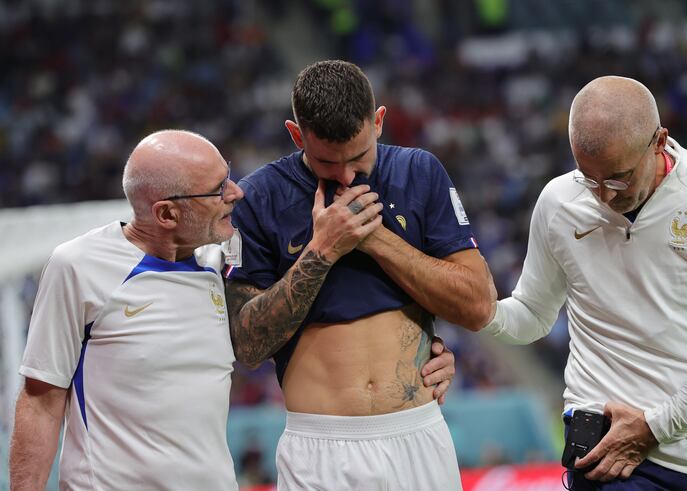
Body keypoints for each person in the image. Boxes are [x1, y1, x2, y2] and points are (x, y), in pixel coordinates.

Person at [9, 129, 458, 490]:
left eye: (228, 175)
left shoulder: (219, 263)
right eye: (216, 189)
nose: (236, 193)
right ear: (166, 214)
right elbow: (40, 401)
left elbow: (263, 332)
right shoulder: (79, 266)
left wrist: (422, 349)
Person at [481, 76, 687, 489]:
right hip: (608, 457)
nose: (602, 195)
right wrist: (481, 312)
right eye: (588, 177)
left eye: (618, 179)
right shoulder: (558, 202)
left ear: (659, 141)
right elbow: (532, 314)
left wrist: (655, 426)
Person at [224, 60, 494, 490]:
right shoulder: (258, 198)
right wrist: (322, 249)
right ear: (297, 136)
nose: (347, 176)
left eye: (359, 157)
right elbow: (247, 345)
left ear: (379, 121)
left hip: (418, 434)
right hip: (320, 448)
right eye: (329, 162)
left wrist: (375, 240)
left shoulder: (419, 172)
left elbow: (479, 306)